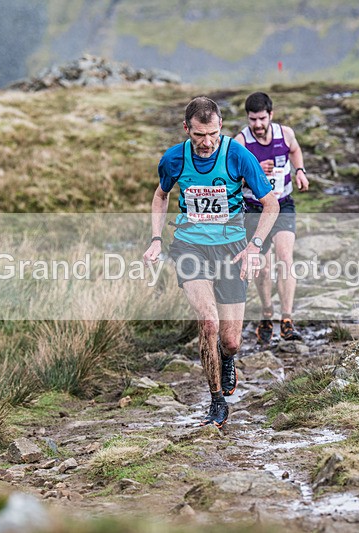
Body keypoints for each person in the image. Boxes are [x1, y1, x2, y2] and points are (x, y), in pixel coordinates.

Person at [143, 96, 279, 428]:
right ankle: (216, 401)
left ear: (221, 127)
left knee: (230, 340)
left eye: (212, 134)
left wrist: (255, 246)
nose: (206, 143)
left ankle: (227, 358)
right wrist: (156, 239)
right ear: (186, 128)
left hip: (232, 249)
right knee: (208, 322)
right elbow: (161, 195)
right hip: (190, 247)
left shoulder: (237, 155)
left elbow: (270, 204)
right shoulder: (174, 158)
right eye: (199, 136)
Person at [234, 92, 309, 344]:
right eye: (252, 119)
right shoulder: (240, 142)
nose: (257, 124)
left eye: (262, 118)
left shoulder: (285, 134)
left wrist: (299, 171)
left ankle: (287, 319)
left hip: (283, 203)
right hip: (255, 209)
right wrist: (252, 173)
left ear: (271, 115)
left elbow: (295, 150)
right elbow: (231, 179)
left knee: (285, 257)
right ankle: (267, 312)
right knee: (263, 267)